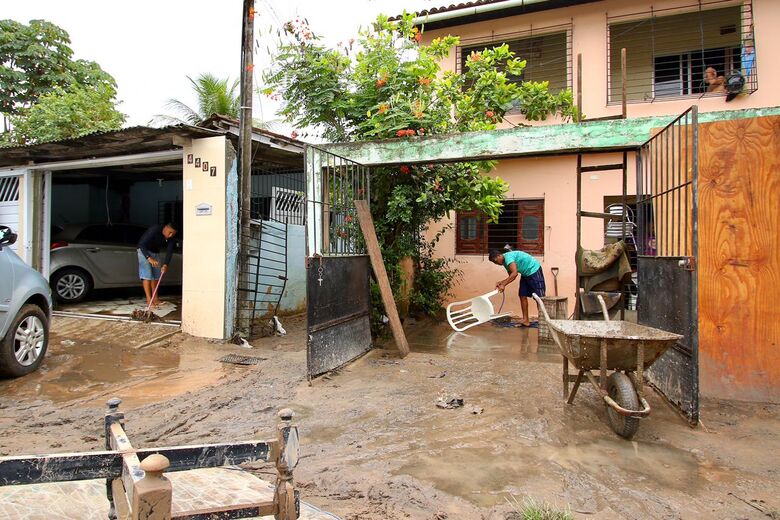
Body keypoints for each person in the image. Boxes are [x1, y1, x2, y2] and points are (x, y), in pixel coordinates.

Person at [489, 248, 546, 327]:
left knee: (539, 298)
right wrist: (501, 282)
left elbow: (515, 274)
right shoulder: (505, 263)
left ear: (499, 256)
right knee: (522, 295)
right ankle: (525, 320)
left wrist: (504, 284)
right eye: (494, 263)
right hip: (525, 274)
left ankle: (544, 321)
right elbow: (511, 276)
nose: (496, 264)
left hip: (534, 270)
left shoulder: (508, 258)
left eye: (495, 261)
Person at [137, 223, 178, 308]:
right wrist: (149, 258)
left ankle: (155, 298)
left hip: (155, 252)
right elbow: (141, 244)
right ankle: (149, 300)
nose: (170, 235)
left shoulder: (171, 238)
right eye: (170, 232)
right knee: (147, 275)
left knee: (156, 275)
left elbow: (169, 251)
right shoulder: (154, 230)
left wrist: (166, 264)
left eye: (173, 234)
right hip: (144, 251)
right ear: (166, 228)